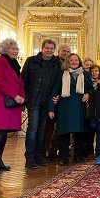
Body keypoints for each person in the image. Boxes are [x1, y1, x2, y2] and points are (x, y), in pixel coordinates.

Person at [0, 38, 25, 174]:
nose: (16, 51)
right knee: (0, 130)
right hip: (0, 100)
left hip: (12, 101)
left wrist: (21, 96)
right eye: (13, 48)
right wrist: (15, 95)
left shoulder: (15, 63)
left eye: (16, 49)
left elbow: (20, 83)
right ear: (5, 49)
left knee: (5, 131)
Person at [21, 39, 61, 169]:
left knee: (42, 129)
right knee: (33, 129)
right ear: (42, 48)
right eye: (47, 48)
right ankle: (30, 158)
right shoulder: (31, 61)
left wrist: (56, 98)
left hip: (47, 103)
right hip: (34, 100)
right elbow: (23, 80)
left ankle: (39, 155)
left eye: (51, 48)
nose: (49, 50)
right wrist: (23, 99)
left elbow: (58, 84)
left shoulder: (56, 63)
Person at [48, 53, 92, 165]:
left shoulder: (85, 74)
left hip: (80, 107)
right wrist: (51, 108)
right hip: (64, 107)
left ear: (79, 61)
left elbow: (91, 89)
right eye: (71, 60)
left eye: (76, 60)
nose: (74, 62)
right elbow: (55, 91)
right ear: (67, 61)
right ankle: (63, 157)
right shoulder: (62, 74)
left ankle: (78, 156)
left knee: (79, 134)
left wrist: (88, 94)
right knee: (63, 133)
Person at [42, 44, 71, 162]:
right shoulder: (53, 63)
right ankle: (43, 152)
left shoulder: (70, 67)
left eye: (68, 51)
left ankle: (54, 151)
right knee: (48, 128)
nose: (66, 53)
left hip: (63, 100)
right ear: (58, 52)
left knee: (61, 128)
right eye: (63, 51)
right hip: (51, 98)